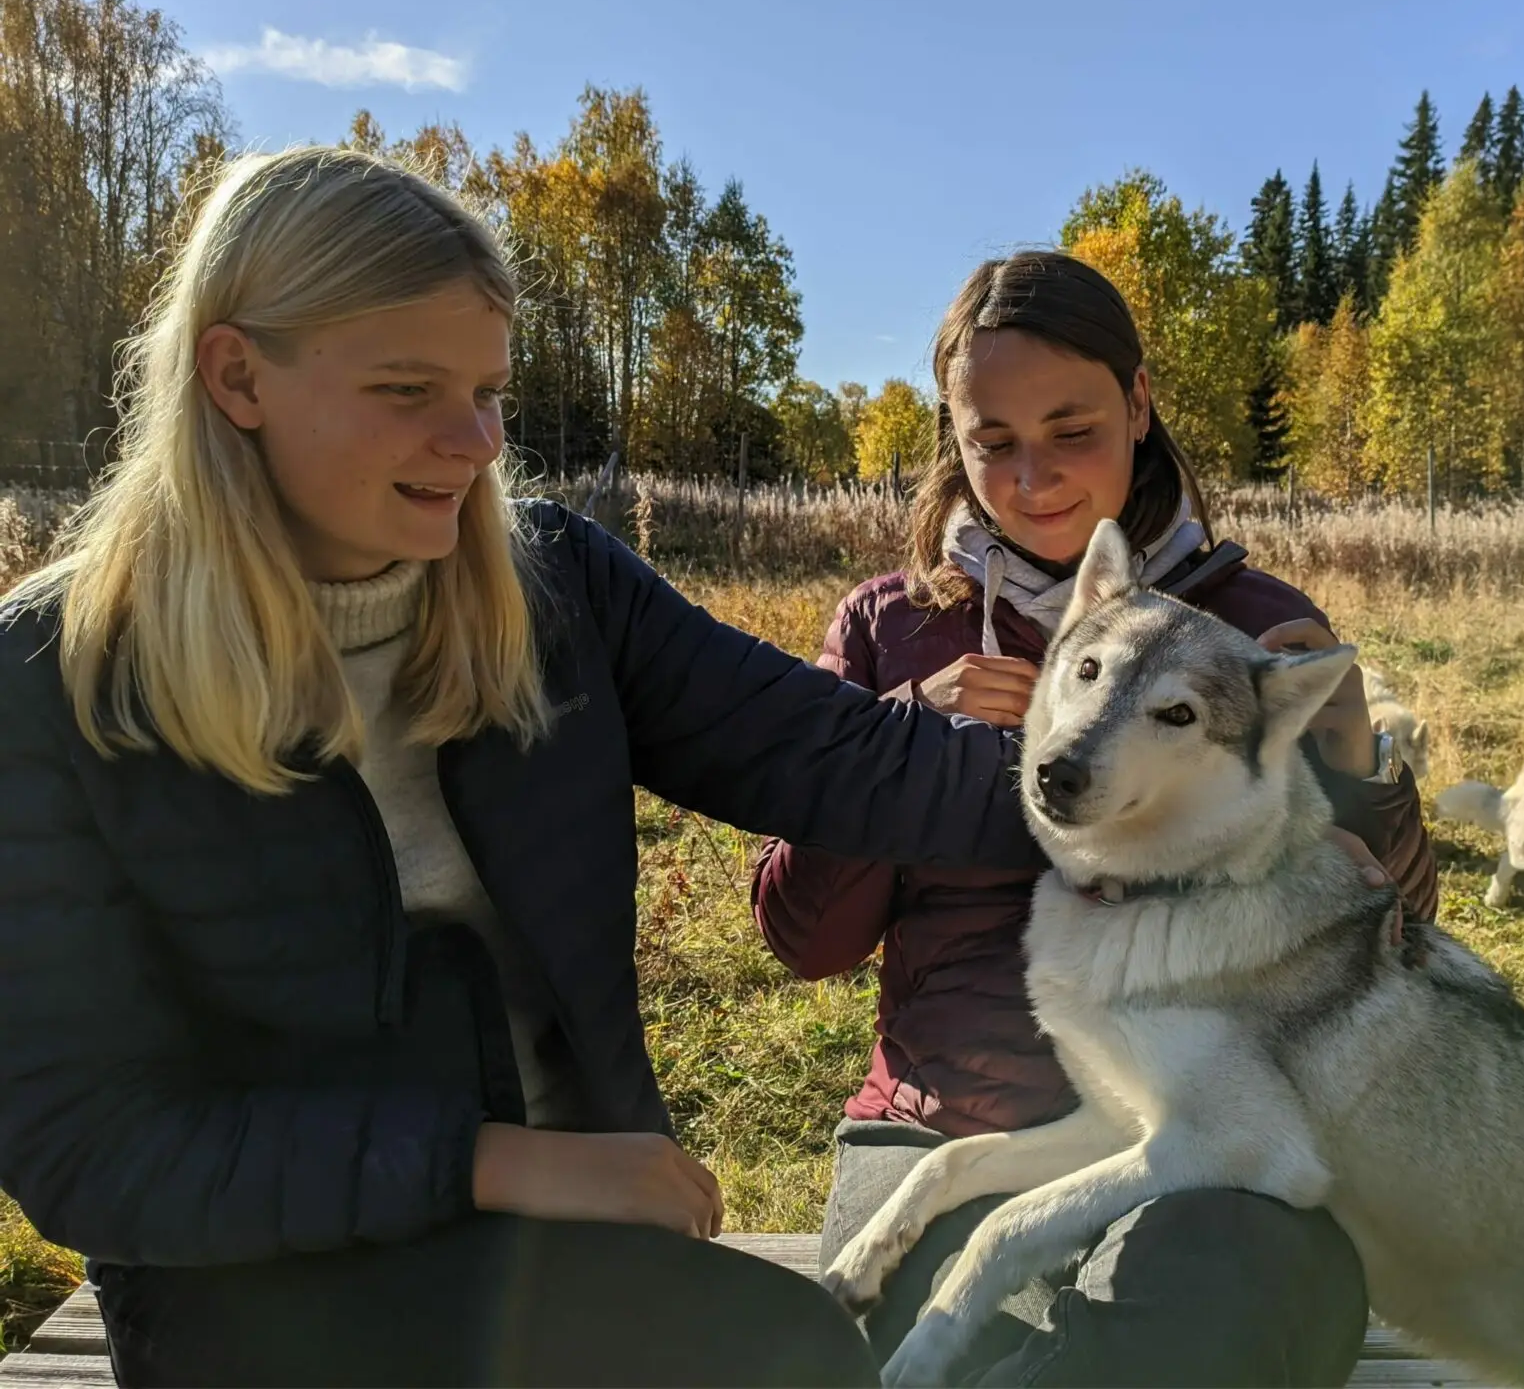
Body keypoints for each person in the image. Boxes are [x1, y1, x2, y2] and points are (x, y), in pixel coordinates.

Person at [0, 147, 1062, 1389]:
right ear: (236, 376)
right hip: (254, 1293)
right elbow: (89, 1147)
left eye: (489, 391)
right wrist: (499, 1164)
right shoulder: (52, 680)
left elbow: (846, 756)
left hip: (576, 1257)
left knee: (797, 1354)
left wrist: (1191, 801)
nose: (474, 444)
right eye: (408, 389)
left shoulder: (556, 589)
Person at [753, 251, 1439, 1388]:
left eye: (1072, 430)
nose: (1033, 480)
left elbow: (1392, 942)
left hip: (1201, 1133)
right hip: (943, 1129)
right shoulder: (890, 630)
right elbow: (803, 938)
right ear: (953, 437)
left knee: (1227, 1306)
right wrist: (897, 739)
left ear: (1138, 403)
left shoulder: (1255, 634)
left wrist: (1354, 764)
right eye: (992, 442)